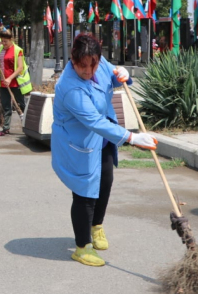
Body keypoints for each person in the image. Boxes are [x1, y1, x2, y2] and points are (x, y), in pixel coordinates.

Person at [51, 33, 158, 267]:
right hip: (78, 142)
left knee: (105, 182)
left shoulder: (98, 63)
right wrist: (132, 138)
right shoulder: (70, 87)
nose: (88, 71)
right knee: (85, 192)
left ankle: (96, 225)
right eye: (82, 66)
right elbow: (94, 122)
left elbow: (113, 76)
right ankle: (82, 247)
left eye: (93, 65)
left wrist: (123, 75)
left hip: (102, 136)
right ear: (73, 59)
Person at [0, 27, 32, 136]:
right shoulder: (1, 49)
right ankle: (5, 128)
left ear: (11, 39)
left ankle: (29, 126)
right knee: (5, 106)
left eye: (5, 41)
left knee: (21, 104)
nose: (3, 43)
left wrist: (10, 78)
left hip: (15, 82)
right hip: (3, 83)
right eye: (2, 41)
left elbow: (20, 67)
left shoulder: (17, 50)